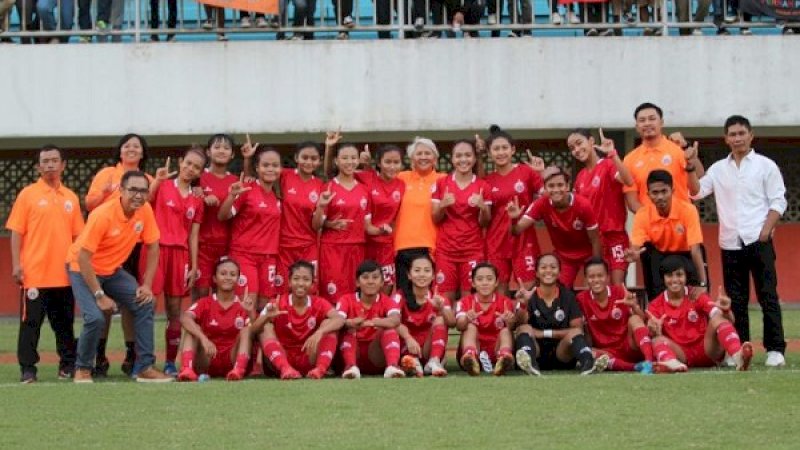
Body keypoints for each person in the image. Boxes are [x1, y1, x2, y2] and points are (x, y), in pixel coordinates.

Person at [692, 115, 788, 367]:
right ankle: (738, 347)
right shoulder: (718, 169)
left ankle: (775, 349)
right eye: (732, 134)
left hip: (759, 239)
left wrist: (766, 230)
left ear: (751, 135)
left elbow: (779, 200)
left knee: (767, 295)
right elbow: (697, 192)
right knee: (736, 300)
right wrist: (691, 163)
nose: (737, 138)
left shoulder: (765, 165)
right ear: (726, 139)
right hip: (730, 242)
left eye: (741, 133)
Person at [67, 170, 172, 383]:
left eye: (143, 190)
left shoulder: (145, 212)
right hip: (82, 269)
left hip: (112, 270)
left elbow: (153, 247)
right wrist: (99, 295)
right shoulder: (102, 215)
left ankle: (144, 368)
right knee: (95, 318)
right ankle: (83, 367)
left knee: (145, 303)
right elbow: (83, 257)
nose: (139, 195)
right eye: (133, 190)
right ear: (121, 191)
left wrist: (147, 285)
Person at [7, 145, 83, 383]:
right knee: (30, 325)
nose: (50, 165)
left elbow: (78, 237)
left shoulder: (71, 197)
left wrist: (77, 268)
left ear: (63, 165)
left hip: (64, 275)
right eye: (45, 161)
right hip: (34, 275)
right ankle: (28, 369)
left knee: (64, 325)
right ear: (38, 167)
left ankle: (67, 365)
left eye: (54, 160)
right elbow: (16, 233)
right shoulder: (27, 195)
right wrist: (17, 265)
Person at [84, 133, 153, 377]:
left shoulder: (149, 179)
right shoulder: (106, 174)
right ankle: (99, 356)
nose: (132, 149)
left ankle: (132, 355)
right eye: (127, 145)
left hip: (133, 245)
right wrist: (104, 193)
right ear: (120, 151)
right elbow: (89, 204)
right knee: (102, 303)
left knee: (132, 302)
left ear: (143, 152)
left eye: (137, 146)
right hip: (105, 244)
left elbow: (153, 209)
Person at [143, 147, 206, 376]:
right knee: (147, 306)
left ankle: (170, 361)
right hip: (156, 251)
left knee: (174, 309)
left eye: (196, 167)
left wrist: (194, 264)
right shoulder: (163, 186)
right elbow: (144, 201)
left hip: (180, 256)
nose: (190, 169)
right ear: (180, 162)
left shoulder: (196, 199)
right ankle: (144, 361)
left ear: (200, 172)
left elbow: (194, 235)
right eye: (188, 163)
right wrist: (156, 181)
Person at [236, 261, 345, 380]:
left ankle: (320, 369)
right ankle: (285, 368)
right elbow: (254, 330)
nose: (301, 283)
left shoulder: (319, 302)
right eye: (296, 279)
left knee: (329, 324)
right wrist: (266, 317)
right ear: (289, 282)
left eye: (306, 279)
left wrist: (320, 332)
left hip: (308, 356)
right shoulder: (277, 302)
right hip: (280, 359)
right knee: (266, 326)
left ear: (313, 284)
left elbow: (339, 319)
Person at [646, 256, 753, 372]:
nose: (675, 279)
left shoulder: (696, 295)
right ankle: (671, 364)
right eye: (669, 275)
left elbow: (728, 321)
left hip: (708, 351)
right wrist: (654, 330)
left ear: (686, 276)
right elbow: (651, 333)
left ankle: (738, 356)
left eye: (679, 274)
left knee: (717, 318)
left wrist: (726, 311)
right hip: (681, 356)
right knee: (657, 340)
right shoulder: (655, 305)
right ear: (663, 278)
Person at [513, 254, 608, 376]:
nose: (548, 270)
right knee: (523, 329)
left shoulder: (568, 296)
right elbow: (519, 325)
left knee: (575, 333)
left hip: (562, 354)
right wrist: (523, 304)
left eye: (553, 267)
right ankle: (530, 365)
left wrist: (544, 333)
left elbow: (577, 329)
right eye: (543, 267)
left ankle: (588, 364)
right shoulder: (529, 295)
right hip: (537, 352)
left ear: (559, 273)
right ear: (536, 272)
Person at [509, 166, 602, 288]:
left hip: (588, 254)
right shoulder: (541, 204)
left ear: (568, 186)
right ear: (545, 188)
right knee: (557, 291)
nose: (556, 189)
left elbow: (595, 240)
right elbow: (516, 231)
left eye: (560, 185)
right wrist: (514, 218)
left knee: (591, 292)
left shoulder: (583, 205)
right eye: (551, 186)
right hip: (564, 257)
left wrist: (595, 266)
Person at [626, 169, 708, 301]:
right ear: (648, 194)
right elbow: (636, 246)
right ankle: (655, 302)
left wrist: (703, 283)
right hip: (660, 259)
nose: (660, 197)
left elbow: (695, 250)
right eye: (655, 193)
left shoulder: (688, 210)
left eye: (664, 191)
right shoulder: (643, 214)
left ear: (672, 191)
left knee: (700, 250)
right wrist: (634, 253)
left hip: (685, 256)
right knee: (646, 251)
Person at [481, 126, 544, 294]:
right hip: (497, 242)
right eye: (496, 149)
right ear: (489, 152)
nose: (501, 152)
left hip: (524, 240)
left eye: (504, 148)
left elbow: (546, 196)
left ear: (513, 149)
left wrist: (542, 173)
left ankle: (526, 319)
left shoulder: (527, 172)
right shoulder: (487, 181)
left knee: (529, 288)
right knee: (499, 291)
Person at [219, 146, 282, 309]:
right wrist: (232, 196)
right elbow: (223, 216)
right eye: (266, 165)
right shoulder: (247, 190)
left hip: (269, 256)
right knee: (247, 303)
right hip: (244, 255)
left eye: (275, 165)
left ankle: (260, 335)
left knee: (264, 305)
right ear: (257, 168)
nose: (270, 169)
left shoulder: (277, 195)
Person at [568, 128, 634, 285]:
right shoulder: (580, 177)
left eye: (579, 143)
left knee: (617, 286)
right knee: (595, 286)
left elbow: (628, 180)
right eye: (572, 148)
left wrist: (613, 154)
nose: (577, 150)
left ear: (591, 141)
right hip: (593, 240)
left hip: (615, 236)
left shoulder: (608, 165)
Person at [314, 142, 378, 301]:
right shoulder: (328, 187)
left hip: (357, 248)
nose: (349, 162)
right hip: (333, 249)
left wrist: (384, 229)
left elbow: (367, 226)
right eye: (344, 158)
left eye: (353, 158)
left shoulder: (364, 190)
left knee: (355, 296)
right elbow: (316, 225)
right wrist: (326, 217)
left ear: (358, 160)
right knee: (332, 296)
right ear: (336, 161)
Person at [431, 139, 492, 301]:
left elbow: (484, 222)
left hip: (472, 250)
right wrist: (443, 205)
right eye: (458, 156)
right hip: (446, 250)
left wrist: (483, 207)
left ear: (474, 158)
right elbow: (436, 218)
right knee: (444, 298)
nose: (463, 160)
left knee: (470, 299)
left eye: (467, 155)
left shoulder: (482, 186)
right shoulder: (442, 183)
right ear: (452, 159)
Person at [177, 259, 255, 382]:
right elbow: (184, 318)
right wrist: (204, 339)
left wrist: (250, 312)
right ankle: (187, 370)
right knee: (192, 328)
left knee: (246, 331)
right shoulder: (205, 303)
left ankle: (238, 370)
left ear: (238, 280)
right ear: (214, 278)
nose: (228, 277)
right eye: (223, 274)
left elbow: (254, 333)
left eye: (233, 274)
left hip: (232, 358)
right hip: (207, 358)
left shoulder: (243, 305)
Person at [576, 258, 654, 374]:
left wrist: (634, 306)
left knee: (634, 318)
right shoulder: (581, 299)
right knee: (589, 352)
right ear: (586, 279)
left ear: (607, 277)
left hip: (629, 346)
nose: (596, 280)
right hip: (606, 351)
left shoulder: (620, 292)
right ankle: (635, 367)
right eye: (592, 277)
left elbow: (642, 321)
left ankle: (649, 361)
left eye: (600, 276)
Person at [623, 102, 703, 213]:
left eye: (652, 119)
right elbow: (632, 202)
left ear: (661, 123)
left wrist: (687, 148)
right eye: (642, 120)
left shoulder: (678, 149)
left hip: (680, 221)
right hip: (650, 225)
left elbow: (699, 175)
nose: (647, 123)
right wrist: (653, 219)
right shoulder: (629, 160)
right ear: (637, 127)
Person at [394, 137, 445, 301]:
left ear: (435, 158)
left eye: (427, 153)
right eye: (419, 153)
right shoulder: (401, 178)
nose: (423, 157)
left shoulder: (444, 179)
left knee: (428, 297)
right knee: (404, 295)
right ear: (412, 159)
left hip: (430, 246)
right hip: (402, 246)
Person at [335, 260, 405, 379]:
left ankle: (392, 366)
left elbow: (395, 320)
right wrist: (349, 322)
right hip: (351, 352)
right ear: (357, 282)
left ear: (382, 282)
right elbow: (336, 321)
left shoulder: (388, 301)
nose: (370, 281)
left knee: (389, 329)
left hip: (376, 354)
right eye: (365, 277)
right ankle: (350, 366)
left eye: (375, 277)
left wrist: (376, 322)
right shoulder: (346, 299)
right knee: (348, 329)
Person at [194, 134, 239, 300]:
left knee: (224, 294)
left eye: (226, 148)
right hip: (202, 246)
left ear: (232, 154)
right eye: (217, 147)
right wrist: (200, 199)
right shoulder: (197, 178)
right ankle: (195, 326)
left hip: (228, 246)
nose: (222, 151)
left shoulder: (236, 181)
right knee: (201, 294)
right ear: (208, 151)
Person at [395, 254, 455, 377]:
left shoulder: (439, 297)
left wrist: (441, 308)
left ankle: (434, 361)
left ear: (433, 275)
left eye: (427, 271)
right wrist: (408, 338)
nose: (422, 274)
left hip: (429, 348)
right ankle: (412, 362)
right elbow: (393, 321)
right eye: (417, 270)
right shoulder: (399, 296)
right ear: (409, 275)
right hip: (408, 348)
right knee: (393, 323)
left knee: (440, 319)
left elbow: (452, 323)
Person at [356, 144, 405, 293]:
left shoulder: (402, 185)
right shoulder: (368, 178)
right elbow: (336, 174)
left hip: (386, 245)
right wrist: (362, 163)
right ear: (379, 163)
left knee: (386, 286)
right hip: (364, 243)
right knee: (364, 285)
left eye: (396, 162)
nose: (392, 166)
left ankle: (382, 315)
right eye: (387, 162)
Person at [456, 263, 516, 376]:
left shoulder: (505, 302)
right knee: (470, 327)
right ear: (473, 283)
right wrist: (467, 319)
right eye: (479, 279)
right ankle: (470, 357)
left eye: (489, 279)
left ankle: (504, 357)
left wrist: (510, 322)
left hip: (496, 348)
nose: (484, 283)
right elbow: (459, 326)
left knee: (505, 330)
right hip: (474, 347)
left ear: (496, 282)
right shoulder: (465, 302)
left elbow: (512, 327)